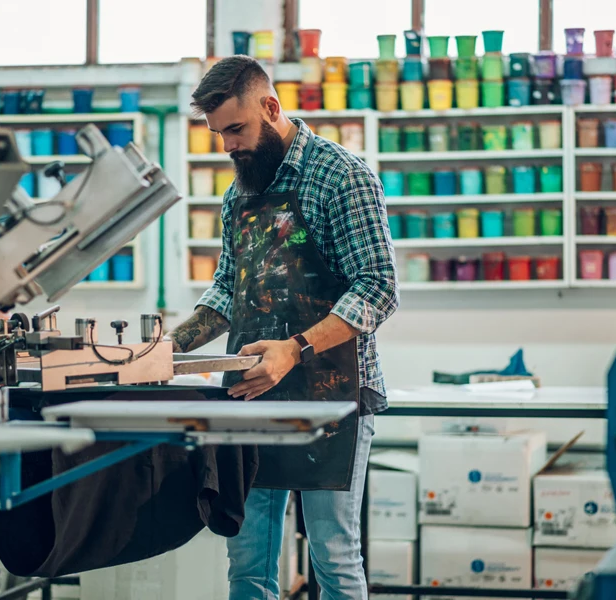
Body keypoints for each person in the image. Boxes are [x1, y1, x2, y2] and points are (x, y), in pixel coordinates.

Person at [168, 55, 399, 600]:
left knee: (334, 562)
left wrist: (294, 349)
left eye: (236, 129)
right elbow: (228, 290)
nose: (227, 146)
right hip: (251, 396)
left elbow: (379, 287)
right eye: (217, 133)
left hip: (333, 398)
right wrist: (164, 348)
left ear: (271, 108)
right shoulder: (238, 194)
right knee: (247, 566)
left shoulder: (341, 175)